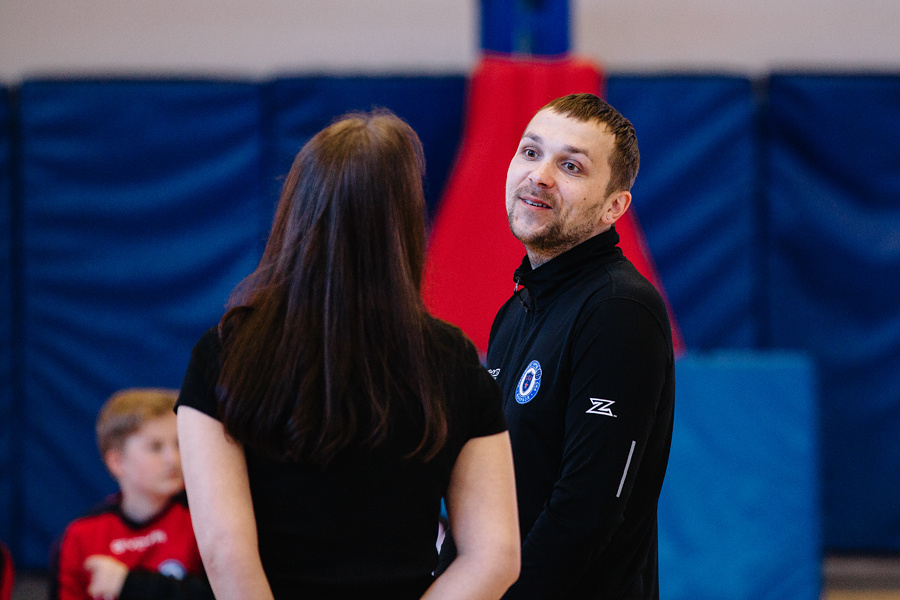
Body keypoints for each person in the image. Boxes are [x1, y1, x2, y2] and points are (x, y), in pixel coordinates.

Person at [175, 109, 520, 600]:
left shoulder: (225, 352)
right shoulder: (453, 361)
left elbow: (226, 550)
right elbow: (494, 557)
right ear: (404, 224)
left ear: (296, 209)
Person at [479, 93, 675, 599]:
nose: (539, 176)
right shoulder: (515, 312)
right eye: (529, 152)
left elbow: (586, 511)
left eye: (570, 165)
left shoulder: (619, 310)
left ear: (615, 207)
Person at [50, 388, 212, 600]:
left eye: (179, 444)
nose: (173, 459)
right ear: (117, 462)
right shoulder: (80, 536)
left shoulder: (205, 518)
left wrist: (129, 584)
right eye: (155, 447)